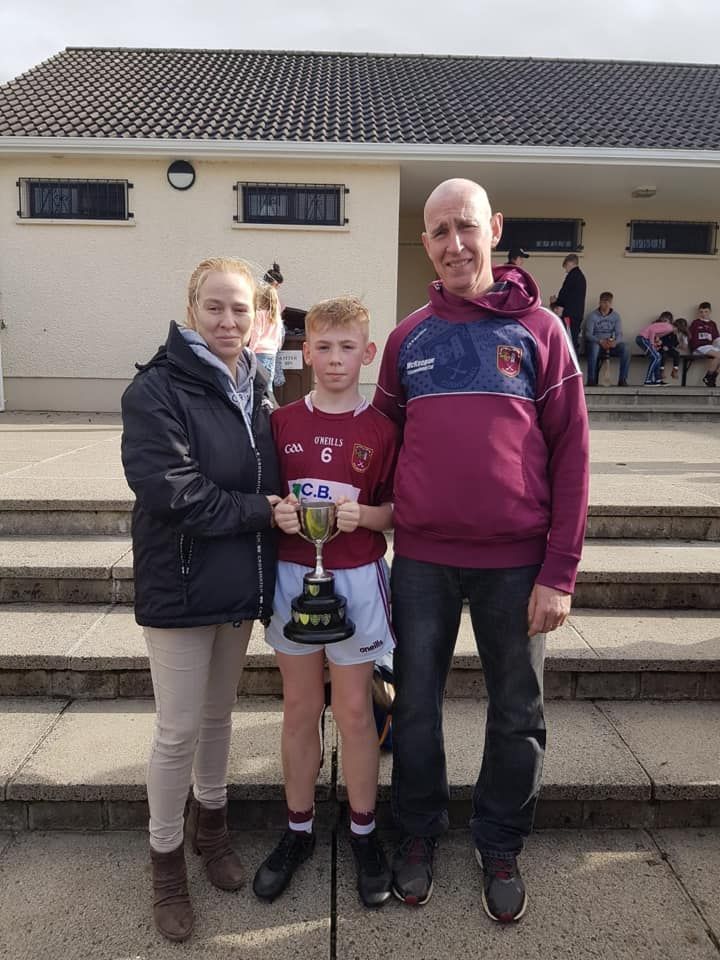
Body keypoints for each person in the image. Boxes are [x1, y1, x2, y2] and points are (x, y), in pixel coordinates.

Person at [374, 179, 589, 923]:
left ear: (493, 228)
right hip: (423, 561)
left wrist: (559, 571)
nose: (454, 244)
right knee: (415, 705)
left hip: (518, 566)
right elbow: (380, 448)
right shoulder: (407, 339)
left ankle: (499, 842)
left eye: (465, 227)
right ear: (425, 243)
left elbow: (573, 457)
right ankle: (418, 832)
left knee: (518, 711)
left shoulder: (543, 331)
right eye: (439, 232)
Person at [120, 257, 281, 942]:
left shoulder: (257, 388)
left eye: (240, 308)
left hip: (235, 582)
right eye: (215, 306)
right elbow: (172, 490)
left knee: (218, 717)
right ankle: (165, 865)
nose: (227, 320)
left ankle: (210, 830)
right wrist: (259, 511)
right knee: (178, 728)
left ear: (257, 315)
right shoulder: (156, 388)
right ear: (192, 309)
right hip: (181, 582)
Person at [253, 296, 399, 909]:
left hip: (358, 578)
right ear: (305, 352)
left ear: (368, 353)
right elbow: (261, 495)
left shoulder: (382, 429)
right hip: (294, 576)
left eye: (347, 347)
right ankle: (298, 829)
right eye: (323, 347)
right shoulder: (280, 422)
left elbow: (397, 509)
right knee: (299, 707)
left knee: (356, 711)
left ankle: (363, 830)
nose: (335, 358)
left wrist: (367, 516)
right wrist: (277, 512)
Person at [584, 292, 630, 386]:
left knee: (626, 348)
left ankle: (622, 379)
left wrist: (615, 342)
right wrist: (600, 341)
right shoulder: (592, 316)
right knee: (594, 347)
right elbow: (588, 334)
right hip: (597, 344)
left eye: (608, 302)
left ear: (611, 303)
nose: (606, 304)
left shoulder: (615, 316)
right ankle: (591, 380)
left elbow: (619, 334)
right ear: (599, 302)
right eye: (604, 302)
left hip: (610, 344)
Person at [249, 282, 284, 395]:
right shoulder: (276, 317)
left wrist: (250, 351)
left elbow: (256, 334)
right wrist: (276, 349)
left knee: (257, 383)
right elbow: (279, 337)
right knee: (268, 384)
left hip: (259, 352)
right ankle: (268, 402)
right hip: (272, 353)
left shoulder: (259, 314)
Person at [550, 253, 586, 355]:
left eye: (565, 266)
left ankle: (571, 363)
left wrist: (555, 302)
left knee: (569, 341)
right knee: (572, 340)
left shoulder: (572, 276)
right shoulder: (581, 277)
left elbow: (564, 294)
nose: (566, 270)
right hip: (576, 314)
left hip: (569, 315)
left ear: (570, 263)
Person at [636, 312, 685, 385]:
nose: (677, 334)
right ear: (676, 328)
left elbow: (656, 334)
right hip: (642, 338)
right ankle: (648, 380)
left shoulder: (669, 328)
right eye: (678, 331)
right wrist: (652, 344)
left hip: (645, 339)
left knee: (658, 356)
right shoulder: (669, 328)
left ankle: (657, 379)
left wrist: (656, 344)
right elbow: (652, 331)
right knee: (656, 357)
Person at [689, 302, 720, 387]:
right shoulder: (695, 323)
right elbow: (689, 336)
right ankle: (708, 376)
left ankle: (712, 377)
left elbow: (717, 338)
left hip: (709, 346)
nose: (703, 314)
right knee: (718, 355)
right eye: (701, 312)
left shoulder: (712, 324)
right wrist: (691, 348)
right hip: (699, 347)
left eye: (706, 311)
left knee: (718, 355)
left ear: (710, 311)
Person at [657, 317, 689, 381]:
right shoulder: (667, 331)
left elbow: (675, 343)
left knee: (676, 354)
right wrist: (663, 345)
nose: (676, 331)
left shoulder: (676, 335)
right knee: (663, 354)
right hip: (662, 348)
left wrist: (679, 345)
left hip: (669, 348)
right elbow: (661, 339)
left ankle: (675, 370)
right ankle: (661, 370)